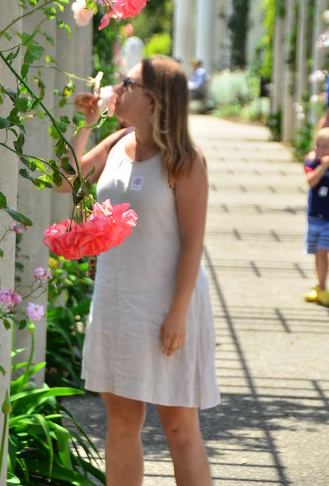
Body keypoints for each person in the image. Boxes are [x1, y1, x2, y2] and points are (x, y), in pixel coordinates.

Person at [58, 57, 219, 486]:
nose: (117, 88)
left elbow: (192, 244)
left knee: (180, 427)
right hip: (118, 300)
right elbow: (62, 179)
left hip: (169, 305)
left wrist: (178, 313)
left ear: (155, 100)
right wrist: (89, 124)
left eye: (128, 83)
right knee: (123, 420)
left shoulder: (185, 161)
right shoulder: (115, 143)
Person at [303, 127, 329, 306]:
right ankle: (321, 287)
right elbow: (311, 181)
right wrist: (323, 166)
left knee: (323, 250)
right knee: (318, 253)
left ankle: (322, 286)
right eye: (318, 146)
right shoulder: (312, 163)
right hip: (315, 216)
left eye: (326, 147)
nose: (321, 150)